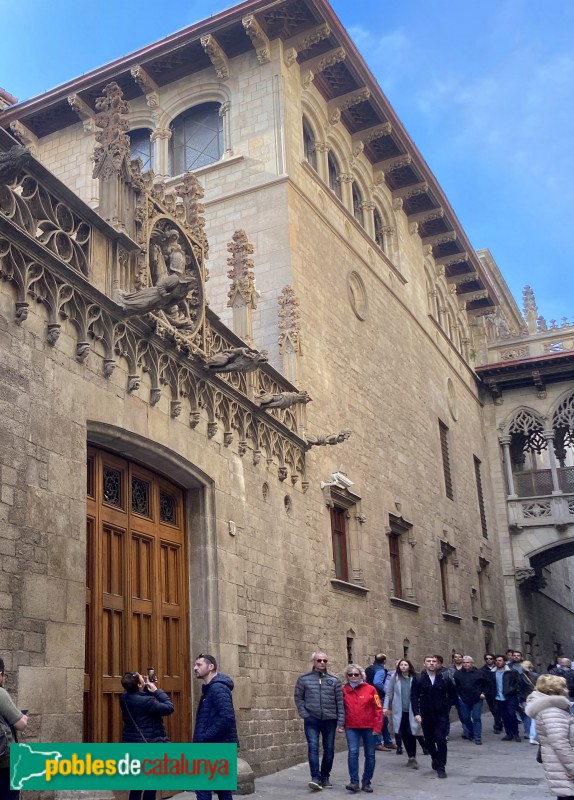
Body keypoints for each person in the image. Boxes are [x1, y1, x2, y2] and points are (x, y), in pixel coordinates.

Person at [294, 651, 345, 791]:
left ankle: (325, 777)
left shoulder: (334, 680)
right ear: (313, 662)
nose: (322, 663)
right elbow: (298, 698)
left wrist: (341, 722)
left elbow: (340, 702)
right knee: (313, 747)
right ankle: (315, 778)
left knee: (329, 749)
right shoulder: (304, 679)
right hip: (312, 720)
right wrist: (305, 714)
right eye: (319, 660)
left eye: (324, 660)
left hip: (330, 720)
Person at [120, 670, 174, 800]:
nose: (144, 678)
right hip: (150, 744)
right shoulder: (147, 701)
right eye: (141, 678)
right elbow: (169, 707)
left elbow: (140, 699)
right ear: (139, 685)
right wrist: (156, 690)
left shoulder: (124, 697)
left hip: (133, 744)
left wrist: (147, 689)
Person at [193, 654, 239, 800]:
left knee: (202, 788)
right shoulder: (211, 688)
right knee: (223, 789)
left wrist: (205, 736)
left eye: (199, 665)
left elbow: (226, 717)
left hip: (214, 746)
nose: (195, 668)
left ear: (211, 667)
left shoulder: (218, 688)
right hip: (218, 745)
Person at [526, 675, 574, 799]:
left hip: (560, 764)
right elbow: (559, 743)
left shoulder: (551, 708)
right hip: (563, 766)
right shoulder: (552, 711)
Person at [411, 655, 457, 779]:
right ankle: (434, 757)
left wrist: (446, 705)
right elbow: (414, 697)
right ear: (424, 663)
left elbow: (453, 695)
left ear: (438, 664)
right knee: (429, 740)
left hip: (441, 714)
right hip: (426, 714)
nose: (431, 663)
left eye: (434, 661)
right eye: (429, 661)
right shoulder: (418, 678)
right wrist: (417, 713)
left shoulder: (444, 677)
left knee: (441, 739)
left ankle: (441, 766)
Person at [342, 664, 382, 793]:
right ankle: (354, 782)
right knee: (353, 753)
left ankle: (366, 782)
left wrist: (377, 727)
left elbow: (378, 708)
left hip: (369, 727)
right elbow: (340, 709)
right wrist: (341, 724)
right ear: (347, 676)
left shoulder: (371, 689)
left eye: (356, 674)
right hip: (351, 727)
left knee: (370, 755)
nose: (353, 677)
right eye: (350, 675)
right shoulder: (343, 690)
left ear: (361, 675)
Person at [383, 659, 424, 769]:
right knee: (404, 733)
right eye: (401, 665)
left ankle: (413, 757)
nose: (403, 666)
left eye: (405, 665)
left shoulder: (415, 678)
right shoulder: (394, 677)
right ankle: (411, 757)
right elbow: (388, 693)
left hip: (413, 710)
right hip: (399, 711)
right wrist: (385, 707)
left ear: (409, 666)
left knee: (412, 732)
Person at [0, 659, 28, 800]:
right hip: (4, 761)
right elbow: (21, 724)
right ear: (0, 674)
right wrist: (24, 716)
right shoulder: (1, 694)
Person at [453, 656, 489, 744]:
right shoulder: (458, 674)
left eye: (468, 662)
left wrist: (483, 693)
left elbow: (487, 684)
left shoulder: (479, 673)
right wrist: (458, 696)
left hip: (477, 699)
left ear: (472, 663)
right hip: (463, 699)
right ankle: (471, 732)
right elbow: (455, 686)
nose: (466, 664)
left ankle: (477, 737)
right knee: (465, 718)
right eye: (464, 662)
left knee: (476, 718)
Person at [365, 653, 394, 751]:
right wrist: (387, 690)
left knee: (383, 719)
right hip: (378, 696)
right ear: (384, 661)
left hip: (370, 695)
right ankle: (378, 742)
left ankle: (387, 741)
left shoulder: (369, 668)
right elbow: (377, 682)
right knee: (380, 718)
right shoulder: (380, 670)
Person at [491, 654, 521, 741]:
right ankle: (509, 734)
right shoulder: (493, 673)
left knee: (511, 715)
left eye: (500, 660)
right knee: (504, 716)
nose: (498, 662)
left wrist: (511, 690)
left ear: (504, 661)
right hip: (498, 698)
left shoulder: (512, 672)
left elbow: (517, 684)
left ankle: (516, 733)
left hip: (510, 697)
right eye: (496, 660)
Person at [480, 653, 501, 732]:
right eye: (487, 658)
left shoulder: (498, 668)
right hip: (490, 693)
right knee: (493, 709)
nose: (489, 660)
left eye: (491, 658)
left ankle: (497, 726)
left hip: (499, 692)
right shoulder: (482, 670)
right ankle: (498, 723)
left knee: (498, 710)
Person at [520, 660, 540, 744]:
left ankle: (529, 733)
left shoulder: (520, 676)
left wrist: (520, 699)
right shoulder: (536, 676)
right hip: (535, 697)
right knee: (535, 718)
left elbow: (519, 688)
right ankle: (534, 735)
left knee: (527, 716)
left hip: (526, 698)